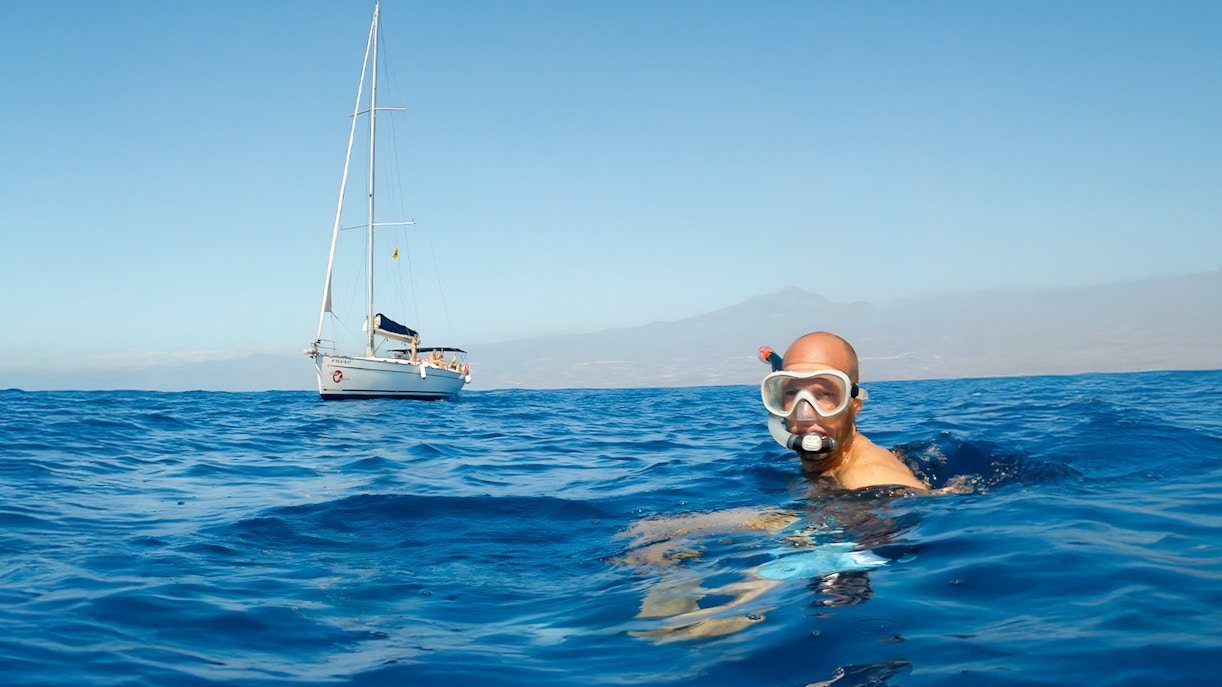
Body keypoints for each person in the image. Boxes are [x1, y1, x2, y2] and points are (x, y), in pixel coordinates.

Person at [762, 331, 927, 491]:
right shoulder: (831, 469)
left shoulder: (866, 480)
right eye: (792, 393)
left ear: (855, 402)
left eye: (825, 394)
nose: (805, 414)